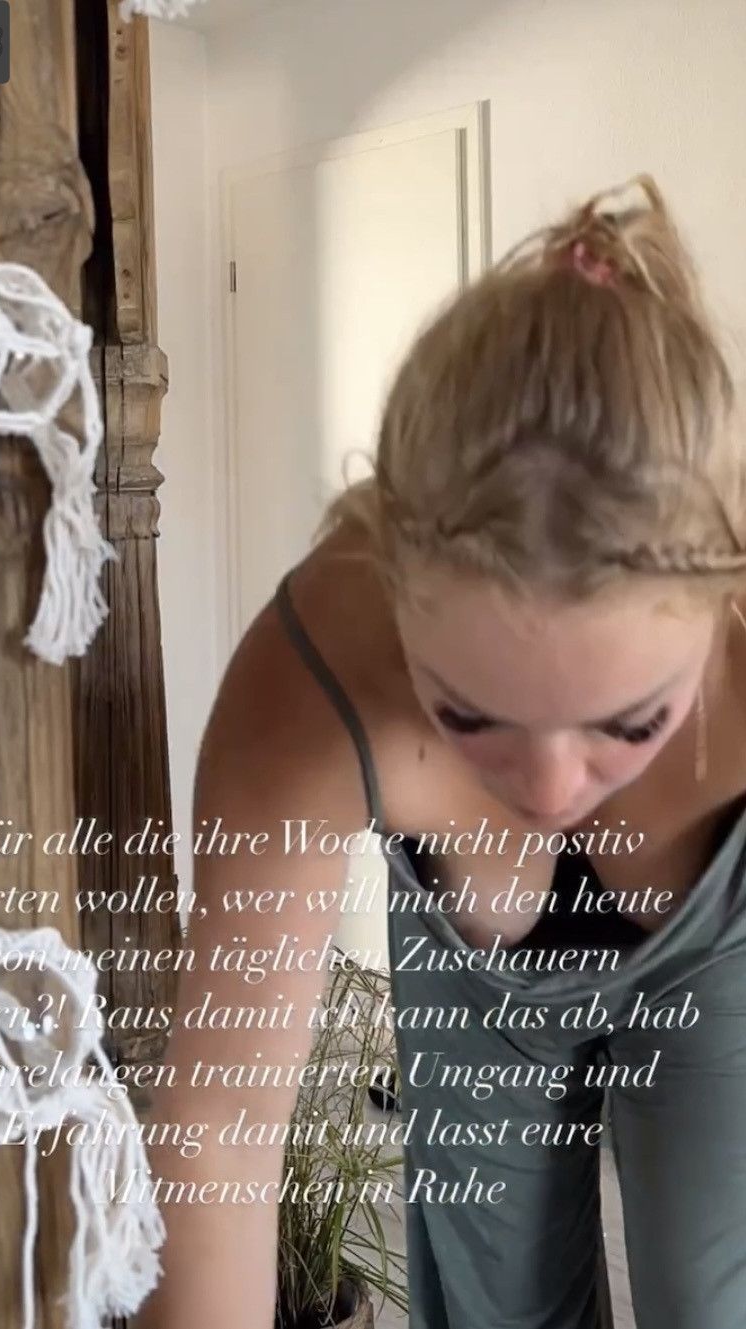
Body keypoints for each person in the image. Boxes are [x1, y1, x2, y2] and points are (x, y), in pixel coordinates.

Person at [137, 175, 746, 1329]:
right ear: (391, 588)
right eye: (466, 718)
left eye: (629, 723)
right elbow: (218, 1132)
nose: (549, 792)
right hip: (476, 970)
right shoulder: (312, 677)